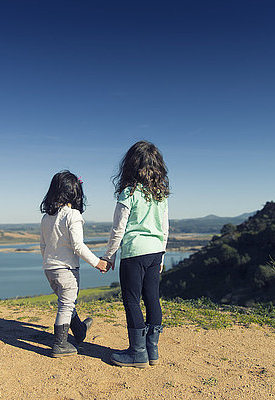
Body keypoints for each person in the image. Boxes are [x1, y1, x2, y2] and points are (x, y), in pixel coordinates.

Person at [102, 140, 169, 368]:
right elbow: (165, 228)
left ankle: (137, 353)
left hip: (134, 253)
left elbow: (118, 228)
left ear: (130, 164)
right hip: (155, 252)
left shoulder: (128, 192)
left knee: (131, 300)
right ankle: (152, 351)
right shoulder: (161, 195)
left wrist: (109, 255)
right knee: (152, 298)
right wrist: (162, 255)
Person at [40, 170, 109, 357]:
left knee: (67, 302)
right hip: (66, 269)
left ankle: (79, 330)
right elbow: (78, 246)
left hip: (49, 268)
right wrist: (97, 263)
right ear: (76, 193)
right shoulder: (73, 215)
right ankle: (60, 344)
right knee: (66, 304)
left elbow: (43, 245)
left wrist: (49, 263)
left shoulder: (46, 218)